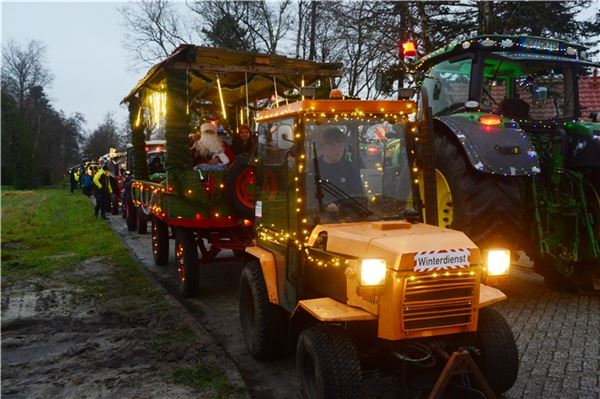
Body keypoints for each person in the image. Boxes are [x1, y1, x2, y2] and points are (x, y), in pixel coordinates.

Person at [316, 127, 363, 212]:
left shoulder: (350, 168)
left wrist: (340, 207)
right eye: (333, 146)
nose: (337, 150)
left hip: (347, 217)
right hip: (317, 218)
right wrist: (324, 206)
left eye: (340, 146)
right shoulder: (314, 167)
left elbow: (359, 196)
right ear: (324, 146)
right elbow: (308, 196)